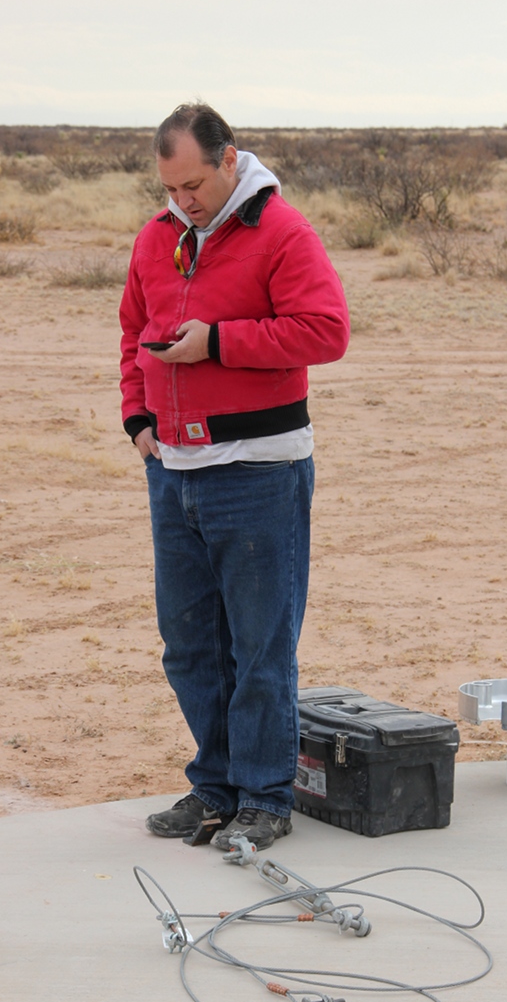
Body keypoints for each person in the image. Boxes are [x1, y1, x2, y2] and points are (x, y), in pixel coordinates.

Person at [119, 102, 349, 852]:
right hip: (173, 471)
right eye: (169, 188)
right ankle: (214, 789)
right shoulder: (155, 239)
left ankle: (264, 798)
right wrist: (138, 418)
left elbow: (326, 331)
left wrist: (216, 343)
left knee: (260, 649)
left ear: (228, 160)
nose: (182, 201)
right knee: (189, 647)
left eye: (193, 185)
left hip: (258, 471)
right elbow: (133, 330)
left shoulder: (282, 231)